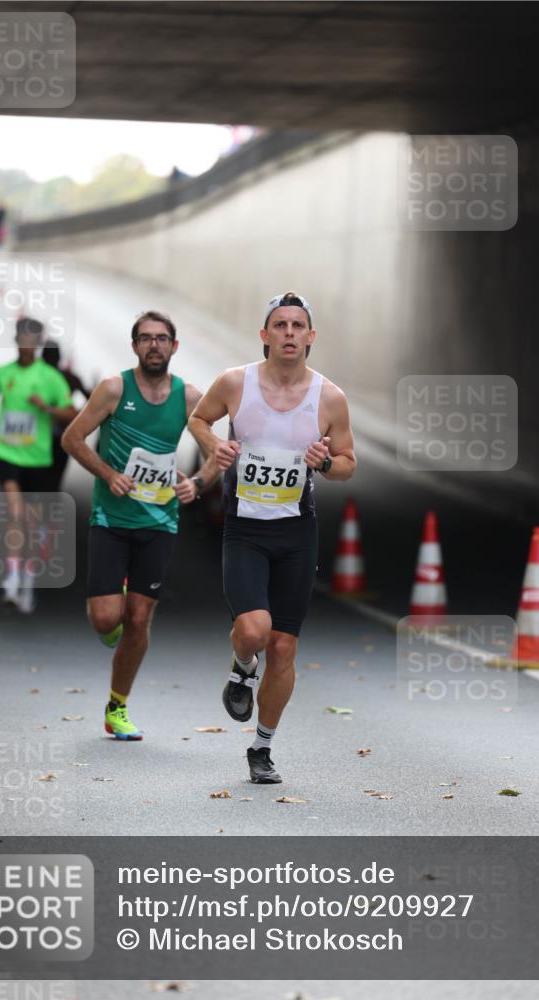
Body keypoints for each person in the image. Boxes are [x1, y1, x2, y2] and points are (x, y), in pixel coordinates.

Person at [188, 292, 357, 784]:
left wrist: (325, 462)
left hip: (297, 533)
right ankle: (242, 667)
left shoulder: (329, 397)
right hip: (245, 529)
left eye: (297, 326)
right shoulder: (235, 383)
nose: (289, 333)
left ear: (310, 336)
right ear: (264, 335)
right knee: (254, 630)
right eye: (280, 325)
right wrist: (215, 445)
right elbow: (198, 419)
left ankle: (261, 749)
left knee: (283, 648)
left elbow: (348, 464)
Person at [61, 310, 218, 741]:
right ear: (134, 346)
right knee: (105, 618)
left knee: (139, 617)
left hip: (159, 522)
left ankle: (117, 707)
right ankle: (113, 610)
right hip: (111, 518)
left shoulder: (189, 398)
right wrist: (108, 474)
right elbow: (72, 438)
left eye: (162, 338)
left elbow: (218, 452)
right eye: (146, 338)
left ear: (174, 346)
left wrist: (197, 483)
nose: (154, 345)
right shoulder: (114, 389)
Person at [0, 317, 76, 613]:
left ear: (38, 343)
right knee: (15, 512)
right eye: (22, 339)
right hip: (6, 454)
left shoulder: (51, 378)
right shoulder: (2, 373)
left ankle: (27, 582)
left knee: (32, 525)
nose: (26, 345)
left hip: (38, 459)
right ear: (16, 340)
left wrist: (46, 407)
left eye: (32, 340)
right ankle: (10, 579)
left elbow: (71, 413)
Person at [42, 341, 91, 489]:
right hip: (61, 433)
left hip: (40, 433)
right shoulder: (69, 377)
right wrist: (76, 415)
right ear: (59, 358)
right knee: (55, 478)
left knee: (36, 477)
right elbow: (91, 400)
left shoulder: (37, 376)